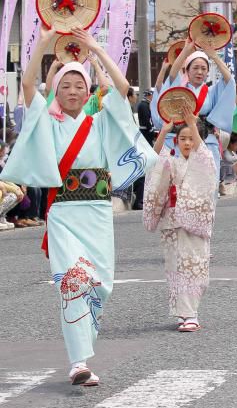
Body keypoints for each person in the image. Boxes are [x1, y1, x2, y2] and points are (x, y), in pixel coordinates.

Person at [1, 27, 156, 386]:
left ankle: (84, 351)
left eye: (79, 86)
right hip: (63, 216)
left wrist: (96, 50)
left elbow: (123, 91)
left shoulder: (100, 121)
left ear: (88, 92)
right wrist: (42, 43)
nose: (72, 91)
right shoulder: (47, 122)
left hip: (98, 213)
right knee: (73, 280)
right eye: (65, 85)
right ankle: (78, 361)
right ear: (56, 89)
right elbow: (27, 87)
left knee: (99, 285)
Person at [144, 111, 217, 333]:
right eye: (182, 139)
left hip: (194, 221)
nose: (187, 143)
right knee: (176, 268)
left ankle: (191, 313)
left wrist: (193, 125)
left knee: (195, 267)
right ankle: (183, 313)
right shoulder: (172, 162)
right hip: (172, 219)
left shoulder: (204, 160)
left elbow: (203, 157)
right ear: (176, 141)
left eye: (191, 139)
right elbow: (152, 160)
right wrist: (164, 131)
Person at [151, 39, 236, 180]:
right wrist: (186, 50)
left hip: (206, 142)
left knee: (208, 184)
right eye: (195, 68)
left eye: (204, 68)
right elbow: (172, 76)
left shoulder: (211, 92)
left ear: (208, 72)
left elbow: (229, 82)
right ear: (187, 71)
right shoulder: (179, 91)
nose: (199, 72)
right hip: (184, 143)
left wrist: (214, 56)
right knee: (183, 185)